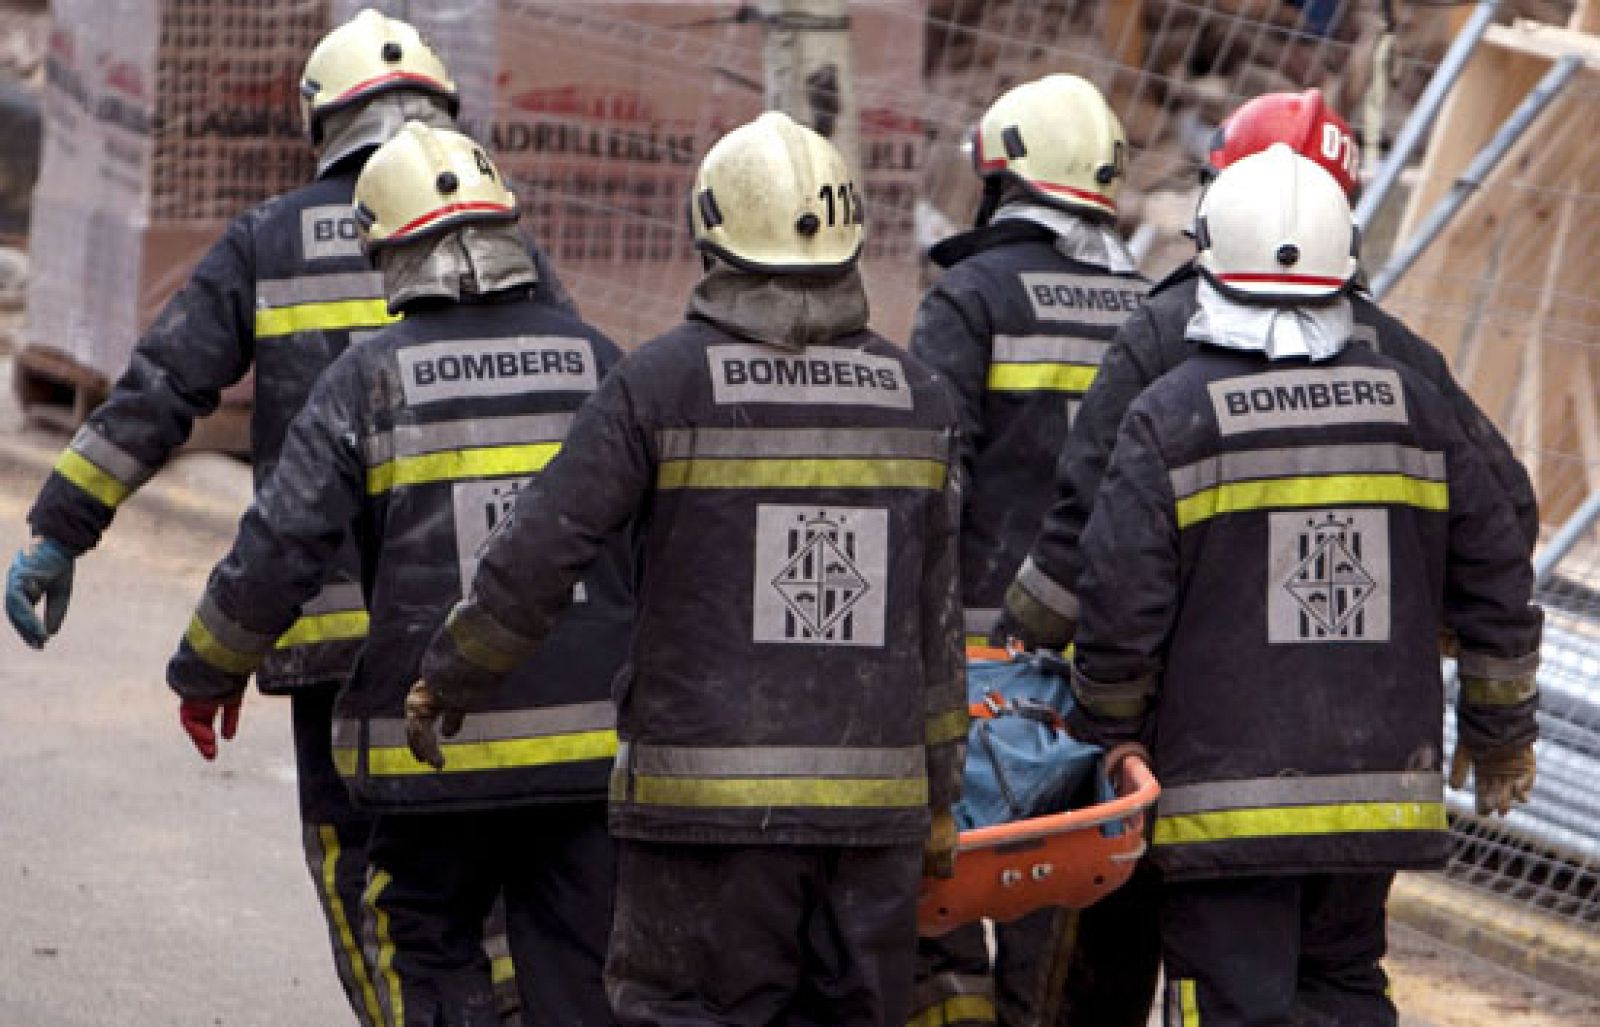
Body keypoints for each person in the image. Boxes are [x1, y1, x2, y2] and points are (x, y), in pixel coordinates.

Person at [4, 10, 566, 1021]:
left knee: (375, 892)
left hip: (331, 639)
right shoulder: (509, 252)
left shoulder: (265, 240)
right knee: (483, 887)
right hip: (487, 631)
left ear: (322, 123)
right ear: (441, 112)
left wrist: (60, 527)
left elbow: (160, 389)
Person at [403, 111, 967, 1026]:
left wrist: (451, 675)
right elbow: (936, 629)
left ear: (712, 233)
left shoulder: (660, 384)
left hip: (700, 821)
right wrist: (941, 794)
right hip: (872, 825)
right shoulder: (921, 400)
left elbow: (543, 545)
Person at [998, 90, 1540, 1027]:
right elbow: (1500, 535)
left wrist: (1096, 719)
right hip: (1376, 783)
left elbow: (1111, 575)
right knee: (1344, 984)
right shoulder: (1410, 387)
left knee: (1216, 995)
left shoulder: (1170, 398)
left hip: (1216, 791)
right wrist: (1499, 724)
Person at [166, 123, 629, 1024]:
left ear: (393, 253)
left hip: (436, 753)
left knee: (424, 938)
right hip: (588, 755)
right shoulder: (600, 362)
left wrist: (207, 668)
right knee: (579, 972)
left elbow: (282, 542)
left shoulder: (366, 380)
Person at [904, 74, 1146, 1027]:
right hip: (1104, 672)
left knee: (948, 895)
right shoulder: (1154, 310)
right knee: (1062, 903)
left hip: (977, 666)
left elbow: (927, 479)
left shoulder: (968, 297)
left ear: (999, 177)